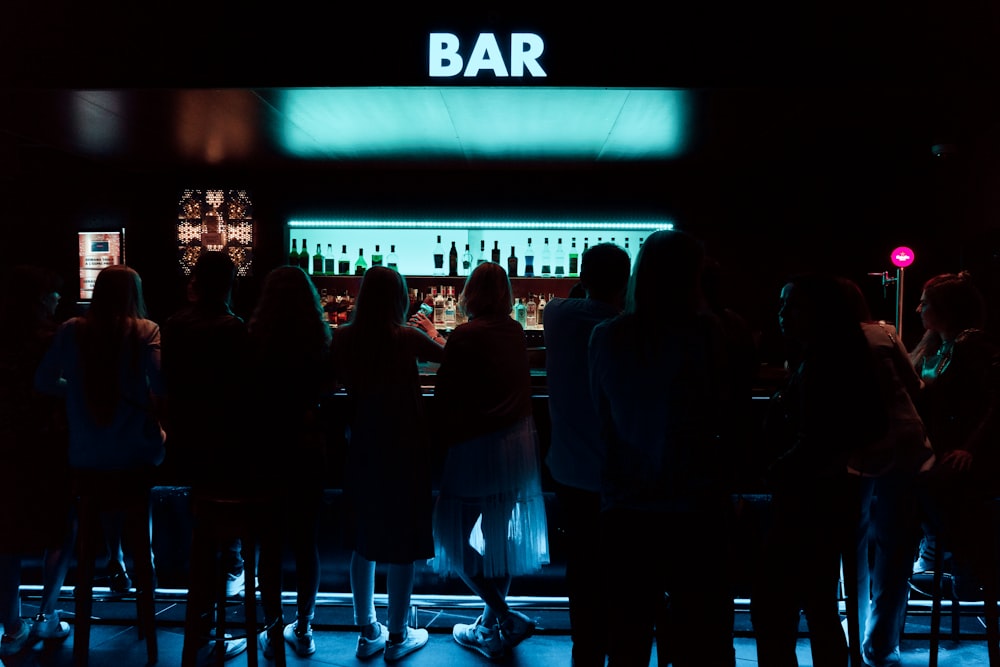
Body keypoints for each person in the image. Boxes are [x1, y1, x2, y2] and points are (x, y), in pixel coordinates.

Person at [587, 230, 735, 667]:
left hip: (626, 501)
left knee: (628, 633)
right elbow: (727, 414)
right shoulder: (714, 334)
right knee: (700, 635)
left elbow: (603, 417)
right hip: (698, 501)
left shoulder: (607, 336)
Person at [752, 272, 888, 667]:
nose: (781, 313)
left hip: (804, 502)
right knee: (819, 606)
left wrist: (774, 470)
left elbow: (814, 438)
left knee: (772, 608)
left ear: (818, 312)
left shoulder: (820, 364)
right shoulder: (842, 356)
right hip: (831, 500)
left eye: (790, 305)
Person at [422, 262, 549, 660]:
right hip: (515, 448)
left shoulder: (465, 334)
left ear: (469, 293)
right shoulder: (514, 331)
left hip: (475, 447)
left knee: (451, 539)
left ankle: (505, 616)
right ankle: (489, 626)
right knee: (498, 542)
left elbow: (446, 394)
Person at [34, 264, 165, 649]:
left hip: (86, 459)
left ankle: (116, 560)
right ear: (134, 294)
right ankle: (144, 566)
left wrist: (75, 390)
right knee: (139, 490)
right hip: (134, 458)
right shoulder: (147, 330)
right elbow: (161, 385)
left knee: (98, 499)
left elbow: (42, 381)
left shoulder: (72, 329)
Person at [330, 266, 444, 662]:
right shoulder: (406, 336)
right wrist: (433, 334)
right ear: (399, 298)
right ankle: (398, 637)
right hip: (406, 447)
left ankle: (367, 631)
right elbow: (452, 361)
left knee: (364, 540)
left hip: (363, 445)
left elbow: (328, 385)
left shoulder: (344, 337)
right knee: (403, 541)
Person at [542, 242, 630, 667]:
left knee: (582, 571)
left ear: (581, 275)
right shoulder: (628, 325)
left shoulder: (555, 314)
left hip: (569, 469)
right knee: (622, 571)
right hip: (619, 476)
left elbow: (572, 298)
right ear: (627, 281)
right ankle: (620, 648)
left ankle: (586, 653)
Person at [838, 277, 934, 667]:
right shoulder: (883, 332)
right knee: (895, 547)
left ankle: (854, 631)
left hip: (855, 448)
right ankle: (880, 645)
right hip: (906, 441)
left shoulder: (826, 340)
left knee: (853, 541)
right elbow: (915, 386)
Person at [163, 251, 252, 665]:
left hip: (183, 448)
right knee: (220, 528)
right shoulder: (234, 329)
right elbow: (244, 394)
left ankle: (201, 626)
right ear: (231, 284)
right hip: (226, 450)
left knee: (203, 534)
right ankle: (225, 603)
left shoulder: (175, 325)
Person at [247, 266, 332, 659]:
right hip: (306, 447)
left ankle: (273, 626)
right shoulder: (318, 339)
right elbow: (328, 393)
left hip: (265, 447)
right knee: (305, 542)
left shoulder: (253, 339)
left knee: (270, 543)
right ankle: (305, 625)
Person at [909, 271, 1000, 598]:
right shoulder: (935, 346)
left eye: (925, 304)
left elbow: (995, 402)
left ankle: (952, 557)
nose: (918, 310)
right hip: (939, 448)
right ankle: (938, 551)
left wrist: (970, 448)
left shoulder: (972, 344)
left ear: (946, 309)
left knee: (919, 482)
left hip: (969, 453)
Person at [0, 266, 75, 656]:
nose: (58, 299)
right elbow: (61, 383)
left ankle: (11, 629)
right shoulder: (54, 337)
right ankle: (47, 615)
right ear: (40, 299)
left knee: (7, 538)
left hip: (7, 445)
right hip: (48, 442)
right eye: (53, 293)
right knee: (60, 530)